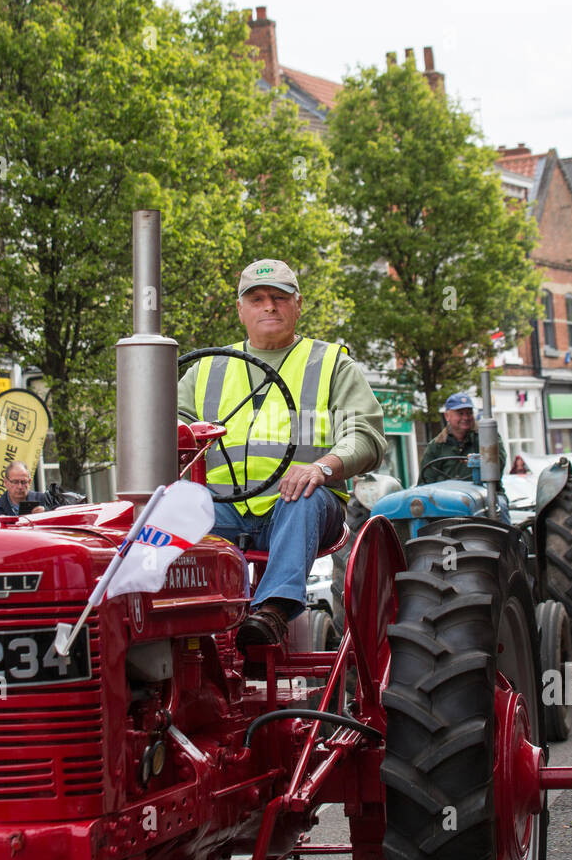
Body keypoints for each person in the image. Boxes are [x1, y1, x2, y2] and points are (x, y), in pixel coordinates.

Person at [178, 259, 387, 648]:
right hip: (223, 509)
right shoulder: (207, 367)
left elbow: (366, 435)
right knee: (167, 512)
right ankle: (179, 621)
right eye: (256, 299)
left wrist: (322, 468)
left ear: (298, 304)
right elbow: (171, 426)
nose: (268, 306)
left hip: (301, 509)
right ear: (241, 309)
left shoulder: (331, 364)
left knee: (301, 495)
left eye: (279, 297)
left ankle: (274, 610)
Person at [419, 393, 507, 483]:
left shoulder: (487, 437)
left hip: (484, 494)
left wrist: (481, 462)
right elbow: (425, 481)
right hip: (448, 495)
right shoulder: (436, 445)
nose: (466, 417)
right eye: (460, 413)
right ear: (447, 416)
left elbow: (499, 464)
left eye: (469, 413)